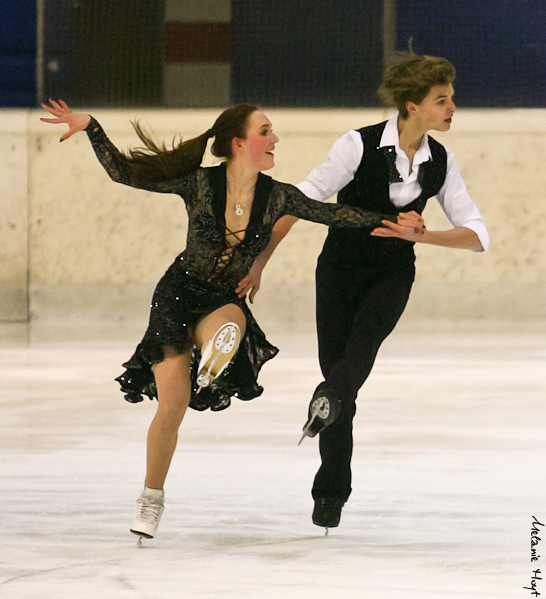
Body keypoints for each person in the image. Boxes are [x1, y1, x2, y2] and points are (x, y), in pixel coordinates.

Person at [40, 98, 424, 541]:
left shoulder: (278, 196)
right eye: (266, 131)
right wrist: (91, 126)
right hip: (177, 296)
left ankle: (213, 359)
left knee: (230, 323)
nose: (275, 137)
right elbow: (125, 172)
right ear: (239, 143)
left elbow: (335, 214)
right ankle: (151, 497)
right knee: (172, 406)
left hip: (222, 300)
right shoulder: (198, 184)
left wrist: (394, 220)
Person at [237, 48, 490, 531]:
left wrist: (423, 235)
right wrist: (261, 257)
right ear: (412, 106)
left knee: (359, 353)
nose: (452, 108)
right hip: (339, 270)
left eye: (451, 99)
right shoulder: (358, 145)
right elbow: (300, 199)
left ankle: (328, 424)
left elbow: (478, 235)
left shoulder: (441, 162)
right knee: (340, 373)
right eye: (442, 100)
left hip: (393, 274)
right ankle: (331, 487)